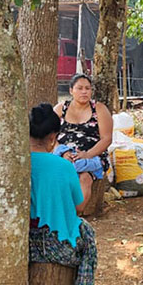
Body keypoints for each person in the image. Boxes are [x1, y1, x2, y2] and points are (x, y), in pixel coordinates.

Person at [29, 103, 118, 285]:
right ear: (53, 137)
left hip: (24, 244)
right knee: (86, 235)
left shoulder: (16, 163)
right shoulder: (63, 166)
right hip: (57, 246)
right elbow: (79, 206)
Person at [54, 74, 113, 214]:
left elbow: (106, 139)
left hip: (92, 156)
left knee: (85, 178)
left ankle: (74, 213)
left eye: (87, 88)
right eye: (79, 88)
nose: (84, 92)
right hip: (63, 155)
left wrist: (87, 154)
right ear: (71, 90)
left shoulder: (99, 109)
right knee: (56, 177)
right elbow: (49, 137)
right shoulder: (60, 109)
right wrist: (63, 152)